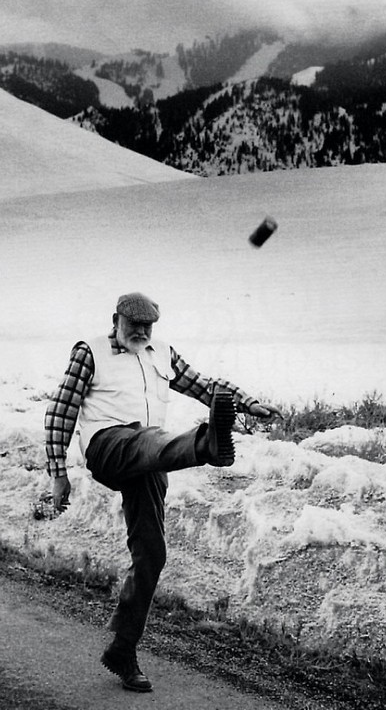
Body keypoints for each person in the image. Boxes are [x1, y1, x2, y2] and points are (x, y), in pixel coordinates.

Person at [44, 292, 281, 693]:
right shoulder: (91, 352)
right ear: (115, 319)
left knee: (152, 554)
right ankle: (206, 445)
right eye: (132, 324)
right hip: (109, 445)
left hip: (152, 458)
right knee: (148, 439)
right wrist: (58, 473)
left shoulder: (162, 353)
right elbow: (61, 410)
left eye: (146, 326)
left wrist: (246, 402)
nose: (140, 332)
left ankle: (122, 649)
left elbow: (204, 385)